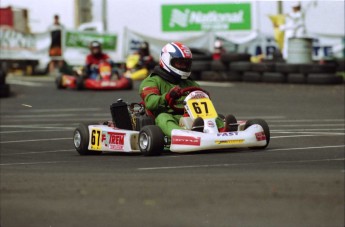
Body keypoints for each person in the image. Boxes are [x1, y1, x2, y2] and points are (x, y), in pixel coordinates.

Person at [139, 42, 234, 137]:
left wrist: (204, 96)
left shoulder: (188, 82)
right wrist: (167, 97)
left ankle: (223, 131)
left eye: (186, 63)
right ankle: (183, 135)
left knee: (210, 114)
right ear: (166, 60)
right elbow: (150, 102)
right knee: (163, 117)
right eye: (180, 63)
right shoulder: (152, 81)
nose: (183, 66)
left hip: (189, 116)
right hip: (167, 116)